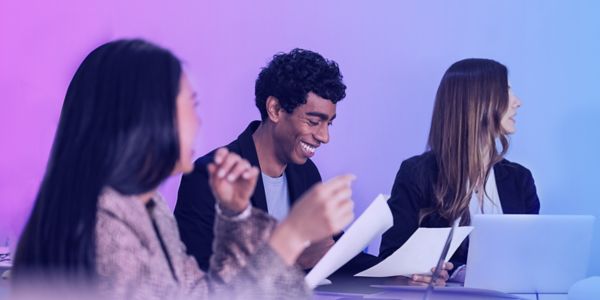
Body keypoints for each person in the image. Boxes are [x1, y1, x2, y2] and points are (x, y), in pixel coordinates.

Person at [12, 39, 355, 299]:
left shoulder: (149, 208)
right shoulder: (105, 222)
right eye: (190, 105)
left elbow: (205, 294)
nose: (198, 120)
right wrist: (290, 237)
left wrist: (234, 218)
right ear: (143, 119)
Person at [175, 48, 377, 275]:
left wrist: (395, 272)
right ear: (275, 109)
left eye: (328, 124)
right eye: (313, 122)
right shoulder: (210, 174)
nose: (324, 137)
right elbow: (196, 275)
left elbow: (332, 250)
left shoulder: (307, 173)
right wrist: (290, 259)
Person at [379, 58, 540, 285]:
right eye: (506, 92)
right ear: (477, 102)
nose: (518, 102)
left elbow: (532, 257)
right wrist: (411, 276)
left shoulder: (519, 179)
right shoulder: (417, 173)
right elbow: (389, 259)